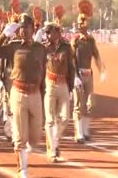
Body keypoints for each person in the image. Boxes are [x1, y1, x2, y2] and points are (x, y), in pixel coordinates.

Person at [0, 13, 46, 178]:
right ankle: (23, 170)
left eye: (26, 28)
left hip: (35, 94)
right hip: (18, 93)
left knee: (35, 137)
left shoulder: (40, 48)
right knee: (21, 137)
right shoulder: (13, 46)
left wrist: (43, 94)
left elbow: (42, 72)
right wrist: (2, 36)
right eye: (21, 28)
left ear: (32, 29)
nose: (23, 31)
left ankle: (23, 142)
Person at [70, 0, 106, 144]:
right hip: (78, 74)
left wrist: (102, 70)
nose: (81, 25)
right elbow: (71, 59)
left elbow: (96, 56)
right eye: (79, 22)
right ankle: (78, 133)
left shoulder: (91, 40)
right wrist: (74, 76)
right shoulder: (75, 40)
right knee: (78, 104)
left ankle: (85, 131)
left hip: (88, 74)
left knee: (90, 103)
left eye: (83, 22)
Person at [43, 22, 75, 163]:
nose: (49, 35)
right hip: (49, 84)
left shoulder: (67, 47)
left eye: (51, 32)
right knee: (50, 119)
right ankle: (53, 151)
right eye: (47, 33)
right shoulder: (43, 48)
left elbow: (71, 67)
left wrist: (72, 86)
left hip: (63, 85)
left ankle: (54, 142)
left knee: (64, 118)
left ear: (58, 33)